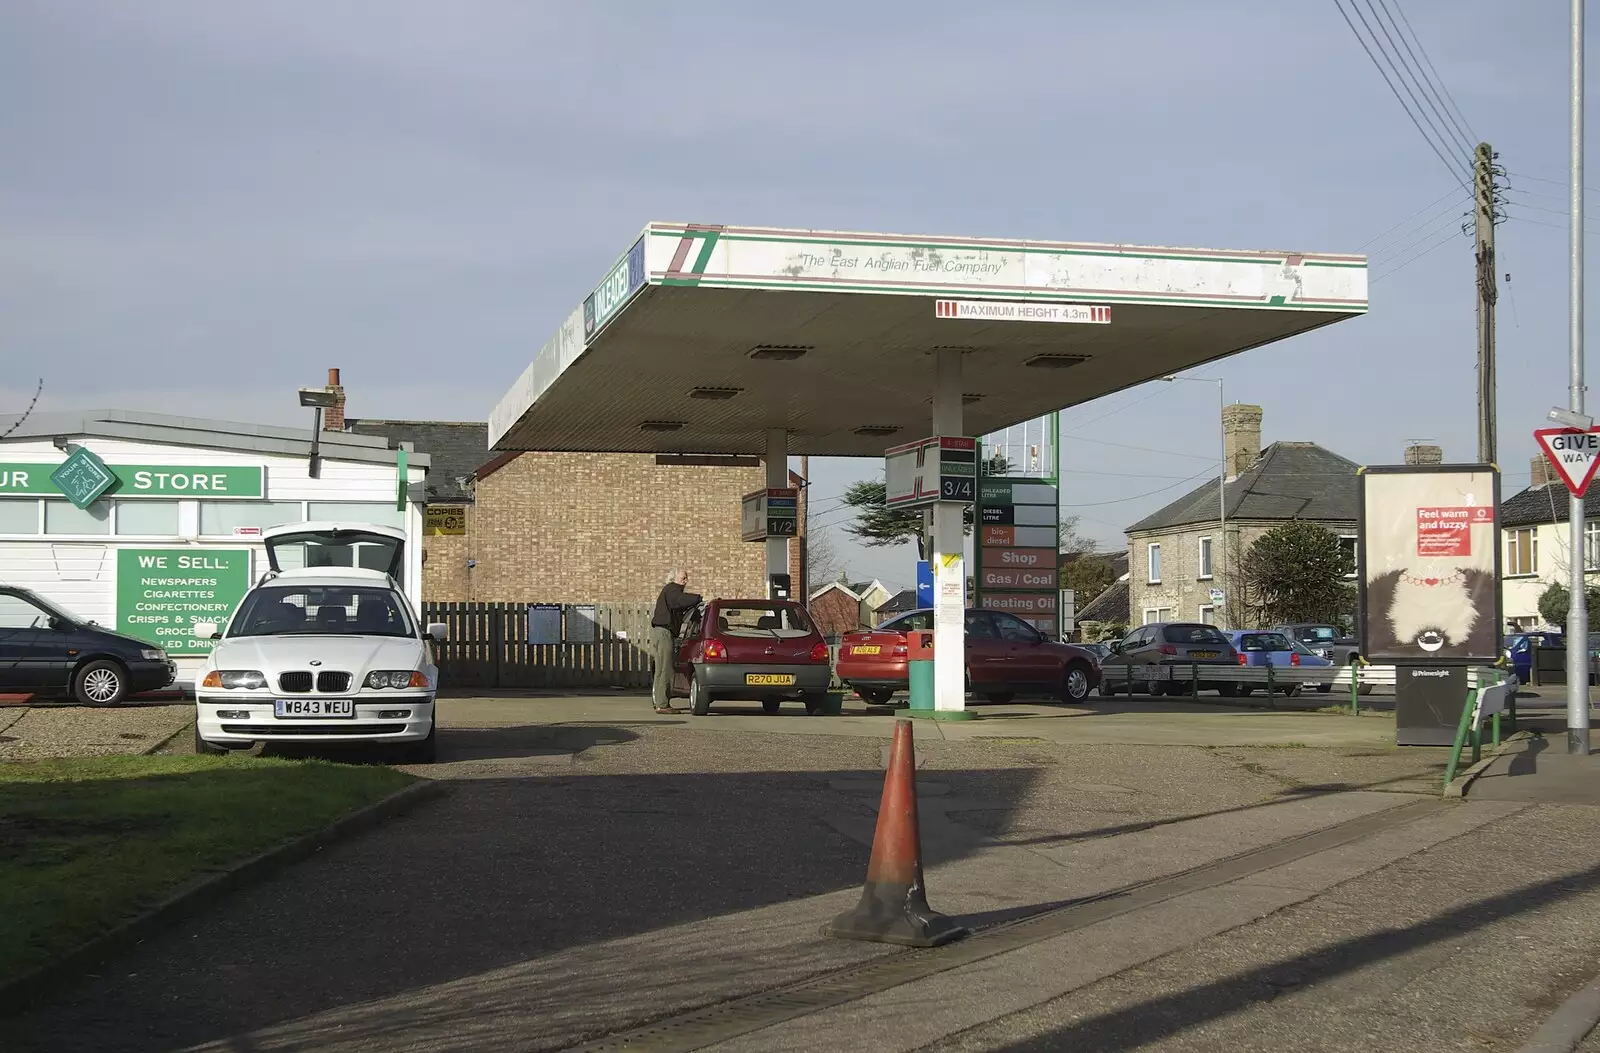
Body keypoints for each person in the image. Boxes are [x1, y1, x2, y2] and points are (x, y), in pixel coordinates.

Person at [650, 568, 701, 713]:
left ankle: (659, 701)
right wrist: (698, 598)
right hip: (664, 633)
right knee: (666, 668)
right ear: (673, 579)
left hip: (661, 632)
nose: (685, 581)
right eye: (682, 578)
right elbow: (678, 601)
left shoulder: (670, 591)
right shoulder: (672, 590)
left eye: (686, 578)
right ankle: (662, 705)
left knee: (661, 669)